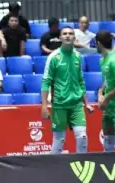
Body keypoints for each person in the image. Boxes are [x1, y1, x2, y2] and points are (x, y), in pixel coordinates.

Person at [40, 26, 93, 154]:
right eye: (64, 34)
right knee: (59, 141)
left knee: (82, 137)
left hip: (76, 104)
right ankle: (54, 165)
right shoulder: (53, 57)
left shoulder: (78, 56)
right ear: (60, 38)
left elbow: (80, 81)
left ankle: (81, 163)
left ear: (74, 37)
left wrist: (87, 103)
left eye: (70, 33)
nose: (68, 36)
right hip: (59, 104)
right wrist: (44, 106)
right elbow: (46, 82)